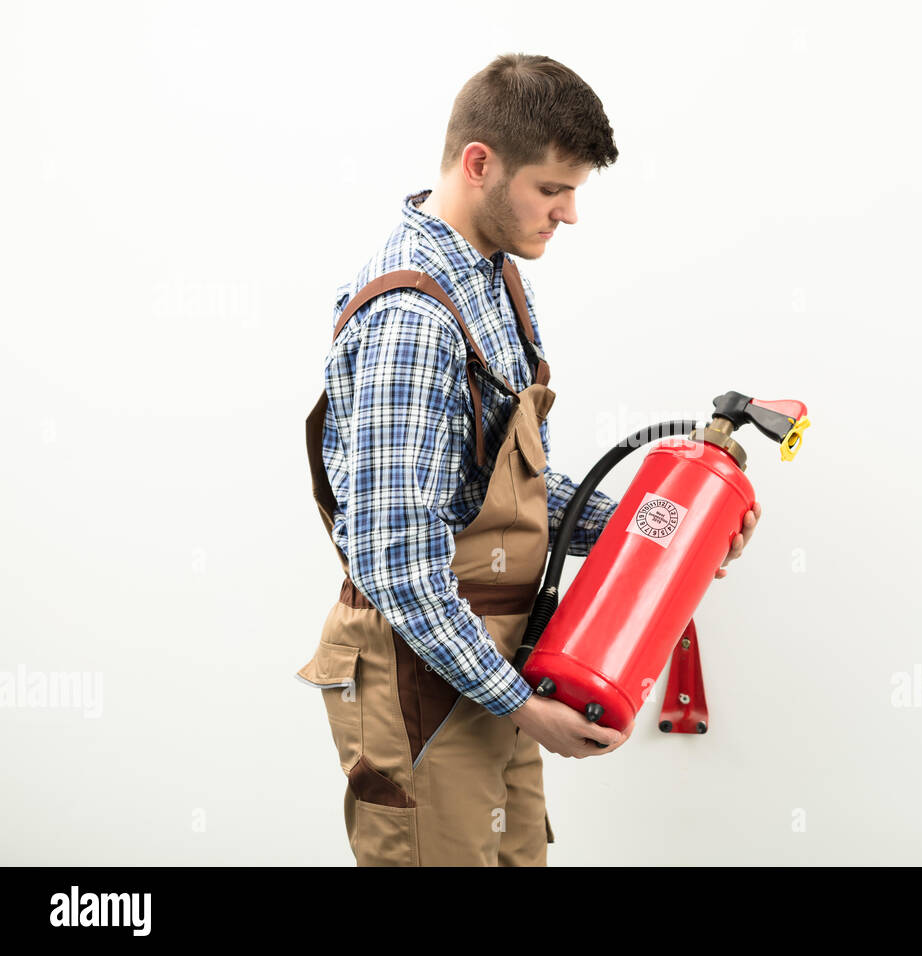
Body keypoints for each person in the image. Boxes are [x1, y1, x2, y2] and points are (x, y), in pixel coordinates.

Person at [296, 52, 759, 867]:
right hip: (423, 684)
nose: (570, 213)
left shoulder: (493, 277)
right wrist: (521, 703)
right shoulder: (412, 317)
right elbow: (397, 563)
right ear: (480, 163)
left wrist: (660, 536)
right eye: (552, 189)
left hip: (489, 666)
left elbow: (510, 484)